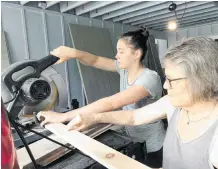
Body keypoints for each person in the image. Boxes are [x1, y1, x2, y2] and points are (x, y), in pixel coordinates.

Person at [62, 37, 218, 169]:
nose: (165, 86)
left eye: (171, 80)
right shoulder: (171, 104)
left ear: (200, 80)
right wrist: (93, 118)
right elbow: (133, 117)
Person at [37, 28, 165, 168]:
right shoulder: (123, 69)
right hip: (132, 137)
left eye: (121, 52)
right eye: (117, 51)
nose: (117, 56)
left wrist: (62, 117)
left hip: (151, 144)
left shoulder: (149, 78)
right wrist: (73, 53)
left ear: (137, 54)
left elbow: (111, 103)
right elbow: (95, 60)